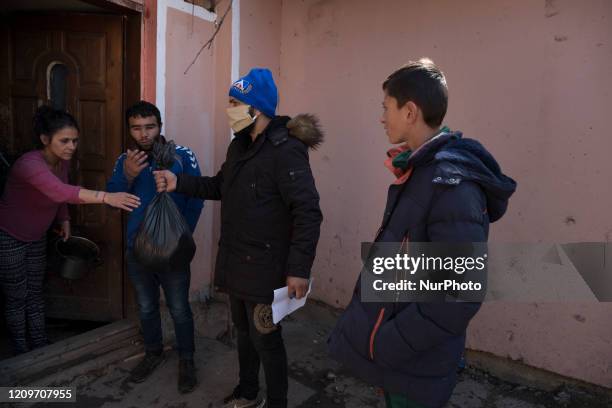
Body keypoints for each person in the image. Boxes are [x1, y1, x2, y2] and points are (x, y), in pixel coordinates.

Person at [327, 59, 517, 408]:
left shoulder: (450, 184)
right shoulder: (422, 171)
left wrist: (387, 344)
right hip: (402, 359)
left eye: (386, 108)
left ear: (410, 111)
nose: (381, 118)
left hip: (413, 362)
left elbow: (457, 293)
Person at [153, 68, 323, 408]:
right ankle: (247, 392)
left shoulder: (285, 150)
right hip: (236, 260)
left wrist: (299, 269)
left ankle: (277, 402)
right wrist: (179, 182)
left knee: (266, 339)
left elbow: (307, 211)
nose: (228, 110)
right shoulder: (240, 146)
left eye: (234, 103)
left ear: (255, 108)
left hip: (267, 267)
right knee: (244, 335)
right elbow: (219, 185)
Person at [0, 106, 140, 355]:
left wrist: (64, 220)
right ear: (45, 139)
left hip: (36, 237)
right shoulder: (29, 165)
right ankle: (22, 349)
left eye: (74, 140)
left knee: (34, 291)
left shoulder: (61, 163)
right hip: (10, 236)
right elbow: (60, 191)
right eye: (64, 141)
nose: (71, 146)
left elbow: (60, 195)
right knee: (16, 295)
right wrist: (107, 197)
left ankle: (40, 344)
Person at [106, 101, 203, 394]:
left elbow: (196, 197)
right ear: (129, 129)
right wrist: (128, 176)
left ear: (160, 126)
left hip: (174, 250)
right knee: (147, 307)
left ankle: (187, 359)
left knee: (179, 308)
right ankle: (153, 353)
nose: (143, 134)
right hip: (138, 250)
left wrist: (181, 238)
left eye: (149, 126)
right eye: (136, 128)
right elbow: (112, 198)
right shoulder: (126, 159)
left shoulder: (182, 155)